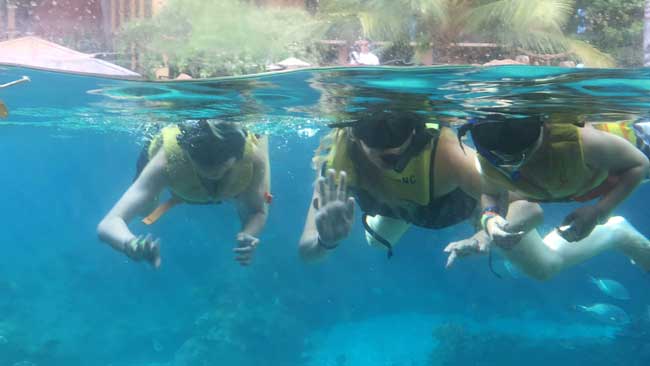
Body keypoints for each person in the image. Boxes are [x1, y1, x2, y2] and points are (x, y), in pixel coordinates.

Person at [298, 108, 485, 261]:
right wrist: (325, 242)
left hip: (454, 202)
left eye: (398, 126)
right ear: (354, 132)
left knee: (508, 241)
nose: (389, 147)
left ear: (414, 128)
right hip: (399, 209)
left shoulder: (445, 153)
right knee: (377, 242)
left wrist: (483, 236)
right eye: (373, 129)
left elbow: (509, 198)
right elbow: (307, 252)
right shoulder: (340, 161)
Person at [97, 119, 271, 268]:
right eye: (202, 171)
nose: (211, 179)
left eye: (221, 172)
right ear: (187, 155)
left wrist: (248, 234)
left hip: (222, 175)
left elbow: (257, 210)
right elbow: (108, 224)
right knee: (145, 209)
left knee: (251, 197)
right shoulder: (167, 160)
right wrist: (131, 244)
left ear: (238, 158)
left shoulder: (253, 158)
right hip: (174, 170)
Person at [458, 115, 648, 244]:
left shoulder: (584, 142)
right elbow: (490, 193)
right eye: (504, 161)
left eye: (524, 154)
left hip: (632, 150)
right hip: (572, 183)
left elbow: (640, 164)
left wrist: (600, 211)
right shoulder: (491, 161)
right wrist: (489, 218)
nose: (513, 164)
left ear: (542, 126)